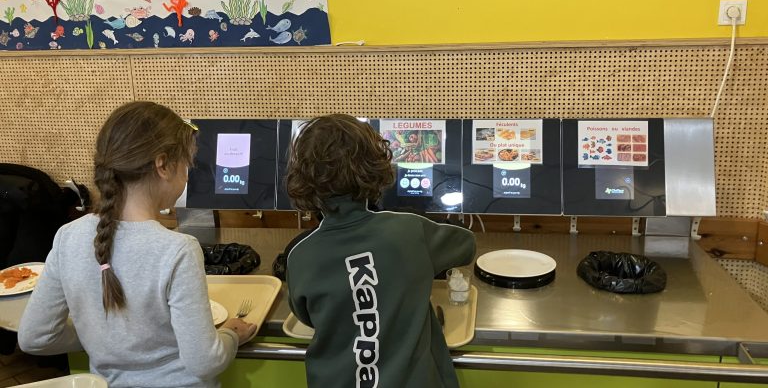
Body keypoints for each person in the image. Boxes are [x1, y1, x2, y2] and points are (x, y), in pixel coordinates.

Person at [18, 101, 256, 388]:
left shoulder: (67, 237)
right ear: (163, 165)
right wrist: (231, 334)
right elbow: (204, 361)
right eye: (186, 166)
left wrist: (99, 337)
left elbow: (34, 337)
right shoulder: (178, 249)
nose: (187, 176)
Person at [285, 114, 476, 388]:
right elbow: (466, 245)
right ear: (376, 166)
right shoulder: (410, 231)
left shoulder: (300, 256)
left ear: (301, 176)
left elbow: (306, 315)